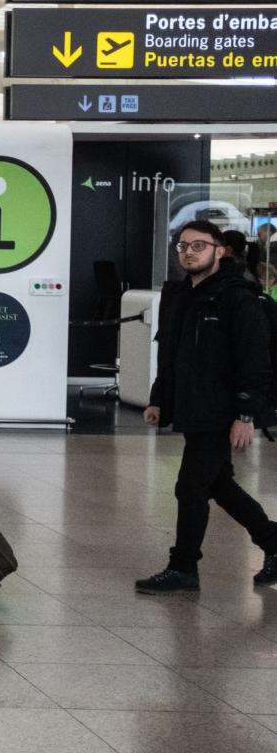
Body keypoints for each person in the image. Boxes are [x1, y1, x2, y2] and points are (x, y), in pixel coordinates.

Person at [139, 219, 277, 593]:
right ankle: (273, 542)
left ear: (220, 251)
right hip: (194, 406)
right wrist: (158, 398)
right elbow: (169, 352)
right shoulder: (179, 295)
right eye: (182, 246)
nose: (188, 252)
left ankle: (183, 567)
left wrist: (245, 414)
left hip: (223, 410)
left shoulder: (238, 297)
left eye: (198, 246)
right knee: (218, 483)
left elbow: (255, 360)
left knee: (190, 487)